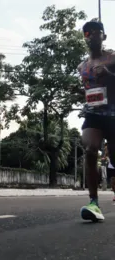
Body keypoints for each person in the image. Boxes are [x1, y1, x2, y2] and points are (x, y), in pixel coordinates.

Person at [78, 20, 115, 222]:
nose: (91, 35)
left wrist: (109, 75)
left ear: (104, 36)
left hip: (114, 114)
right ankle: (94, 202)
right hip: (93, 113)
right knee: (90, 149)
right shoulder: (82, 66)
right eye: (87, 33)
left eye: (96, 32)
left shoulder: (112, 58)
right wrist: (79, 92)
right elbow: (88, 91)